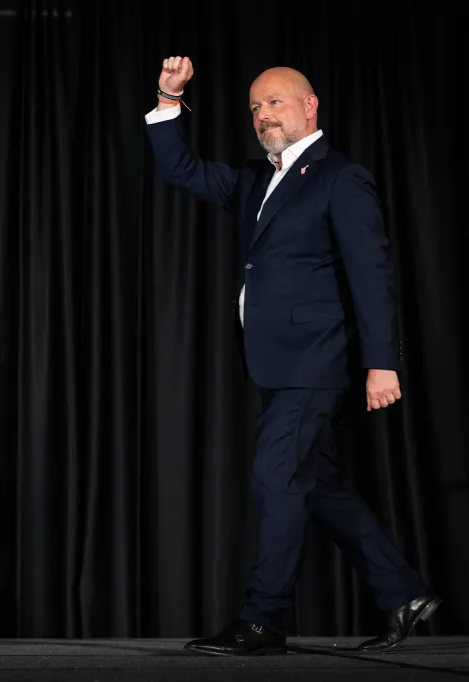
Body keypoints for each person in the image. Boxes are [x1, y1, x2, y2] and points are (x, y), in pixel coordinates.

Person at [144, 56, 441, 656]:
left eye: (275, 102)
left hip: (316, 362)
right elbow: (181, 169)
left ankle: (263, 619)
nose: (262, 115)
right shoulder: (255, 179)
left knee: (275, 478)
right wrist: (168, 100)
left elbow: (372, 274)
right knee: (319, 485)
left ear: (310, 108)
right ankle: (402, 592)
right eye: (255, 106)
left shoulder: (340, 177)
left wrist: (383, 361)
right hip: (274, 364)